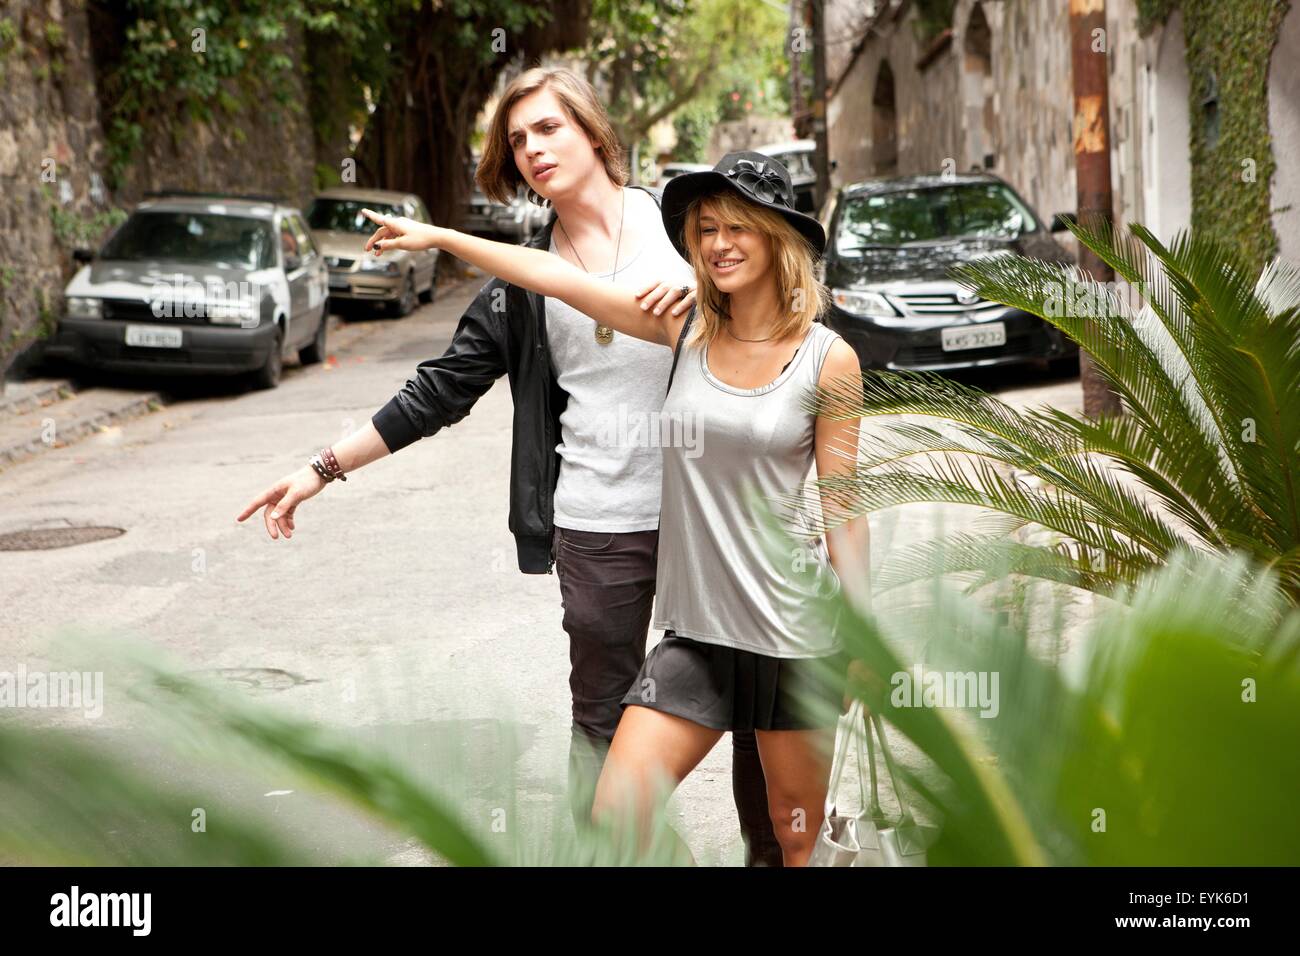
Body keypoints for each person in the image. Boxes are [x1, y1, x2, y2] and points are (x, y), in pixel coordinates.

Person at [235, 68, 786, 865]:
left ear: (594, 134)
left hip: (713, 510)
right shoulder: (522, 279)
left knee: (753, 701)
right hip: (600, 518)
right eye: (517, 139)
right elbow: (441, 389)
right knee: (602, 720)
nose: (531, 149)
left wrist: (709, 294)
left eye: (547, 129)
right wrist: (322, 467)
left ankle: (768, 854)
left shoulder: (688, 226)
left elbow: (780, 313)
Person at [357, 150, 871, 866]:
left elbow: (844, 508)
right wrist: (442, 238)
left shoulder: (828, 359)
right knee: (615, 813)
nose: (718, 244)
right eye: (706, 229)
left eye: (739, 228)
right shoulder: (684, 328)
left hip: (794, 638)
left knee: (794, 843)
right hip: (697, 635)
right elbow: (557, 278)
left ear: (778, 240)